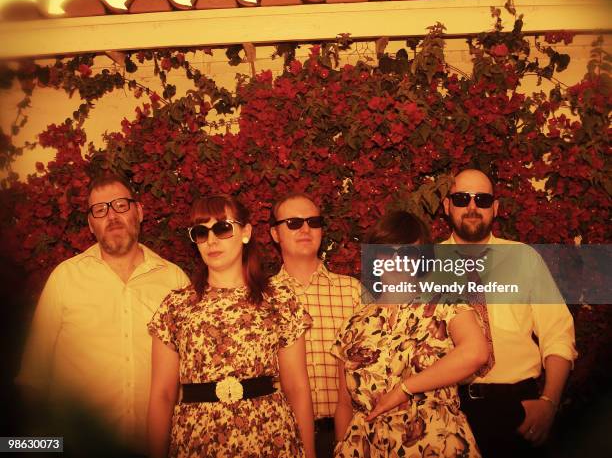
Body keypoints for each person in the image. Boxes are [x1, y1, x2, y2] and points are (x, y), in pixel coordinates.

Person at [16, 173, 189, 454]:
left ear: (139, 212)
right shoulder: (65, 278)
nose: (112, 215)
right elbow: (33, 379)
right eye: (100, 209)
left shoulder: (174, 281)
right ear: (91, 224)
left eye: (120, 205)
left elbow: (191, 376)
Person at [147, 195, 315, 458]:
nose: (211, 240)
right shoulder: (175, 306)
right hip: (197, 440)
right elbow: (162, 395)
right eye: (201, 232)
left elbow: (296, 387)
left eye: (222, 228)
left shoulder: (280, 300)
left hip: (271, 438)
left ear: (246, 232)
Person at [442, 168, 577, 458]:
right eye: (462, 198)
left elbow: (558, 334)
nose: (473, 207)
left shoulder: (524, 258)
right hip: (446, 410)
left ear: (496, 207)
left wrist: (549, 402)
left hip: (519, 409)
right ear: (447, 205)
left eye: (483, 199)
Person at [332, 210, 489, 457]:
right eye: (386, 250)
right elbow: (343, 404)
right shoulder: (354, 322)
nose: (396, 259)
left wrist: (405, 389)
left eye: (407, 252)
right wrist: (342, 446)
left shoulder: (446, 303)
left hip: (436, 444)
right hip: (367, 447)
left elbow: (477, 353)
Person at [270, 192, 365, 458]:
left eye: (313, 222)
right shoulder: (261, 297)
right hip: (281, 435)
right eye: (293, 223)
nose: (305, 229)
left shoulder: (352, 291)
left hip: (348, 433)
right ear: (274, 234)